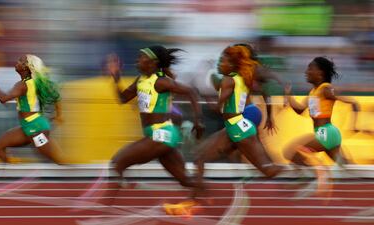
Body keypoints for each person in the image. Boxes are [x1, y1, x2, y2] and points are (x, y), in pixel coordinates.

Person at [107, 45, 204, 189]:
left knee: (117, 164)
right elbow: (123, 99)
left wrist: (199, 121)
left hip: (161, 135)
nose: (137, 60)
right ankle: (215, 197)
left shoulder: (161, 81)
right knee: (185, 181)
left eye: (141, 57)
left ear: (153, 62)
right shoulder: (140, 80)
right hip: (156, 135)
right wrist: (116, 77)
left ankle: (109, 206)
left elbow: (191, 92)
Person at [193, 45, 283, 193]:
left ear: (232, 64)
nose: (219, 64)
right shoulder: (240, 78)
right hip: (238, 125)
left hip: (238, 127)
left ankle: (300, 172)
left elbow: (217, 109)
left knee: (268, 170)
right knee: (200, 159)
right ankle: (195, 199)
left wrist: (203, 93)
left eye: (222, 61)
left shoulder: (229, 80)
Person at [284, 57, 359, 192]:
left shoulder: (326, 88)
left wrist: (354, 121)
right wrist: (289, 96)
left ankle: (316, 177)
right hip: (325, 134)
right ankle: (363, 189)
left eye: (310, 68)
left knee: (293, 153)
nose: (306, 72)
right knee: (346, 167)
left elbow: (349, 101)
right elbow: (299, 109)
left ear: (320, 73)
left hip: (326, 132)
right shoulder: (313, 92)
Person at [0, 54, 62, 164]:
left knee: (57, 160)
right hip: (27, 127)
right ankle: (14, 173)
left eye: (21, 61)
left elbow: (3, 99)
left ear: (27, 67)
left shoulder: (23, 85)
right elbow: (56, 96)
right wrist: (59, 115)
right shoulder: (34, 83)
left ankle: (78, 173)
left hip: (36, 129)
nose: (17, 62)